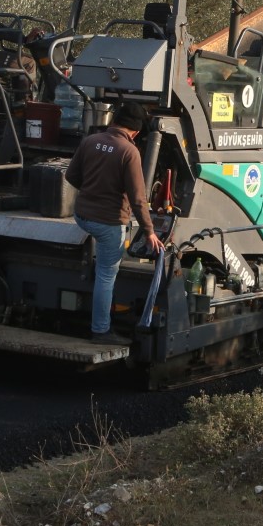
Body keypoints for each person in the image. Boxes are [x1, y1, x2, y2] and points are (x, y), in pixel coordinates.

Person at [65, 101, 164, 344]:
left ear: (114, 120)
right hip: (108, 222)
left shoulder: (90, 141)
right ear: (136, 132)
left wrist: (92, 193)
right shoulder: (129, 151)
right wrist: (149, 231)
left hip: (82, 216)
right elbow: (138, 199)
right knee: (106, 276)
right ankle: (101, 331)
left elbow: (71, 176)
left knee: (102, 259)